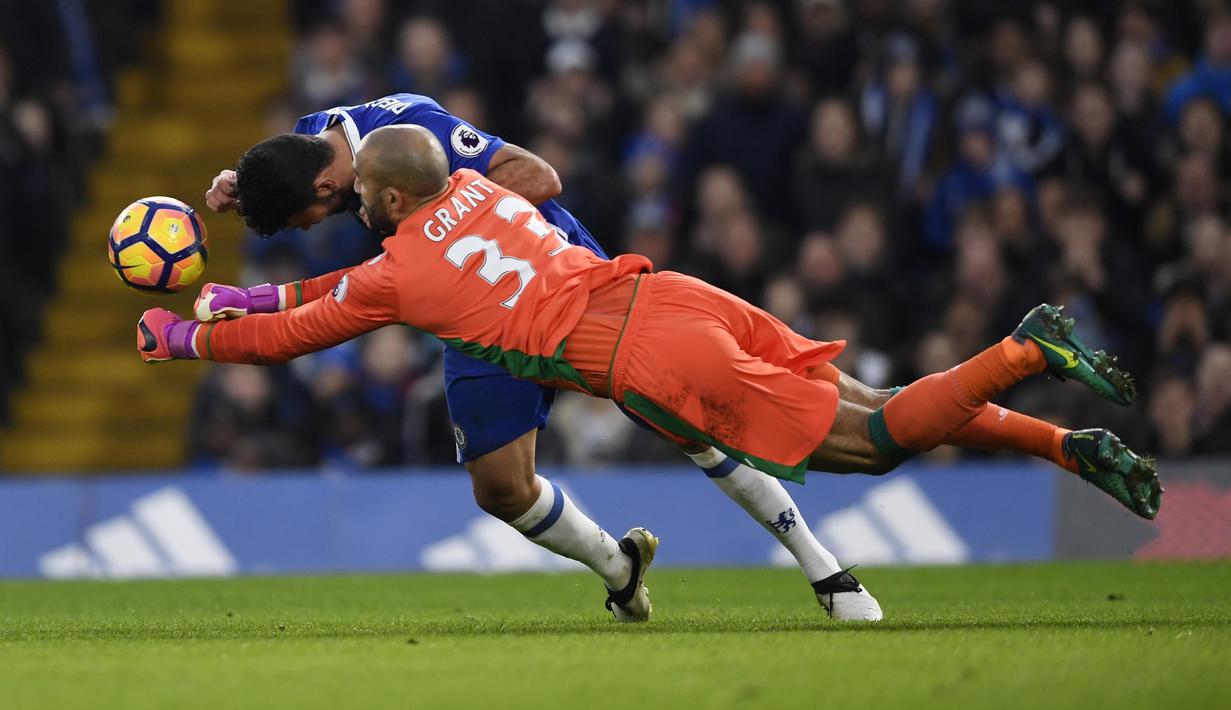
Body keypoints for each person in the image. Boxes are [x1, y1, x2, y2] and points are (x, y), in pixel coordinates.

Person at [141, 126, 1163, 594]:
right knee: (875, 399)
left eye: (366, 203)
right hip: (658, 287)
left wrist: (190, 333)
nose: (359, 213)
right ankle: (1062, 440)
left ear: (394, 204)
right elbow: (324, 293)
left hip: (647, 357)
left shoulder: (398, 268)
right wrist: (246, 293)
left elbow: (295, 333)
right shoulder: (483, 193)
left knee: (872, 443)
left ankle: (1021, 346)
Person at [199, 94, 877, 621]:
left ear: (325, 191)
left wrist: (461, 233)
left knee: (691, 420)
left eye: (301, 221)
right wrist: (247, 182)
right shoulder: (315, 138)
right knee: (500, 487)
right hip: (475, 323)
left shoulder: (412, 126)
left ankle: (825, 570)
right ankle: (619, 571)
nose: (313, 229)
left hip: (562, 291)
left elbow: (537, 175)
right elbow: (290, 170)